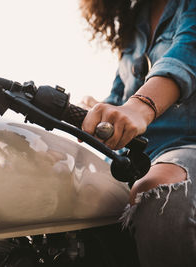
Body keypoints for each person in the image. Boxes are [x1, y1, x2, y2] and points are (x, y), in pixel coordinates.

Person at [78, 0, 196, 266]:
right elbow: (120, 95)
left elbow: (186, 54)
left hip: (187, 146)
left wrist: (141, 107)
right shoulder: (135, 17)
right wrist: (95, 111)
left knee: (159, 189)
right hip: (129, 157)